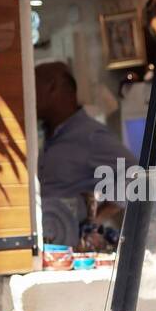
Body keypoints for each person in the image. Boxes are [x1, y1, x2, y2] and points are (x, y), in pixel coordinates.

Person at [34, 61, 136, 246]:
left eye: (34, 87)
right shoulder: (50, 137)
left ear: (52, 87)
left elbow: (136, 177)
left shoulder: (89, 135)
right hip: (52, 248)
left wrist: (95, 219)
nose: (28, 96)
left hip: (77, 254)